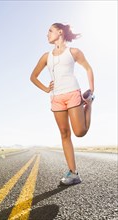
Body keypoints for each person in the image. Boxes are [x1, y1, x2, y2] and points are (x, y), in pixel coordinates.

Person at [30, 23, 95, 186]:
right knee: (65, 134)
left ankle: (89, 105)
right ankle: (73, 173)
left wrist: (91, 91)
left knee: (79, 132)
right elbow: (33, 76)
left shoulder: (73, 52)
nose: (47, 34)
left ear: (60, 32)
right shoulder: (46, 56)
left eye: (50, 31)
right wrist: (46, 89)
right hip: (56, 98)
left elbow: (88, 68)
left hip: (73, 93)